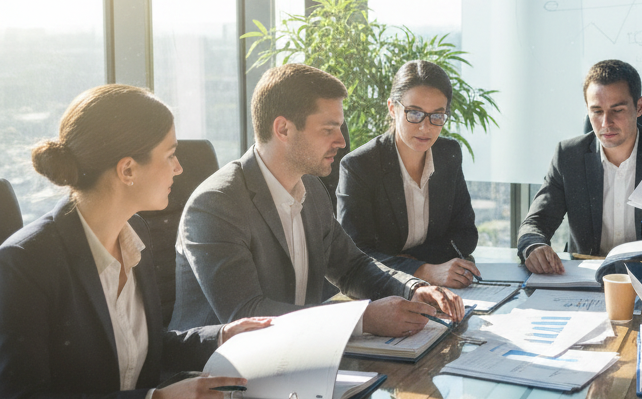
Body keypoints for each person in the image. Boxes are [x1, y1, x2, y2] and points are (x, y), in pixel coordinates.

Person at [0, 85, 271, 399]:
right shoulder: (25, 262)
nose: (179, 168)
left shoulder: (134, 233)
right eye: (170, 155)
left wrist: (222, 335)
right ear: (127, 169)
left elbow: (137, 343)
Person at [172, 63, 463, 337]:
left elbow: (353, 267)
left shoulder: (310, 188)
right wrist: (363, 319)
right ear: (283, 129)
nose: (342, 141)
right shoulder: (216, 204)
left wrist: (412, 288)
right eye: (328, 130)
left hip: (300, 361)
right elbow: (247, 315)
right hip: (218, 377)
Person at [517, 59, 642, 274]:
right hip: (588, 278)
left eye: (617, 110)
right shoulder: (568, 156)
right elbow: (536, 222)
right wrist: (533, 246)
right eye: (597, 111)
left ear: (639, 107)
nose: (606, 123)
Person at [337, 61, 479, 290]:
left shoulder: (448, 153)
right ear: (393, 109)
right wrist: (422, 270)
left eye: (437, 116)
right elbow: (354, 254)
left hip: (442, 286)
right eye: (414, 113)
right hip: (382, 290)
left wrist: (416, 260)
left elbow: (466, 234)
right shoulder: (359, 166)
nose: (426, 127)